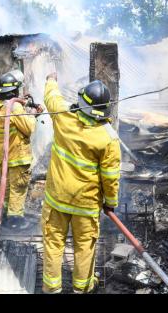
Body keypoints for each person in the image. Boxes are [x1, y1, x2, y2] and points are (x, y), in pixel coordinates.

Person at [42, 72, 121, 294]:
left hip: (56, 199)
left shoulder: (62, 115)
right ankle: (82, 288)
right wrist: (110, 202)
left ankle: (52, 288)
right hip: (86, 204)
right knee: (84, 247)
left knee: (53, 243)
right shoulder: (108, 138)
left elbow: (51, 97)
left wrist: (51, 80)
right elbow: (111, 176)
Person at [0, 69, 43, 231]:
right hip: (17, 157)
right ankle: (15, 220)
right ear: (14, 91)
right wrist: (32, 113)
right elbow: (29, 128)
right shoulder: (14, 108)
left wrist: (22, 104)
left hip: (2, 158)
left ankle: (4, 215)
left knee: (7, 187)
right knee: (18, 188)